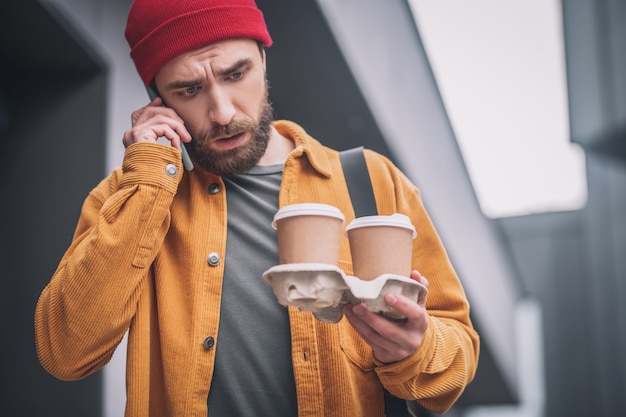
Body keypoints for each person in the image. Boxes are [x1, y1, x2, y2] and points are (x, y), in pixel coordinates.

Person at [34, 0, 480, 416]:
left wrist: (415, 348)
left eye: (235, 73)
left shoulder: (371, 180)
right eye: (189, 89)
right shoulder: (128, 196)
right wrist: (150, 178)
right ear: (158, 101)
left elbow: (457, 357)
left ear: (263, 60)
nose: (223, 112)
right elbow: (66, 354)